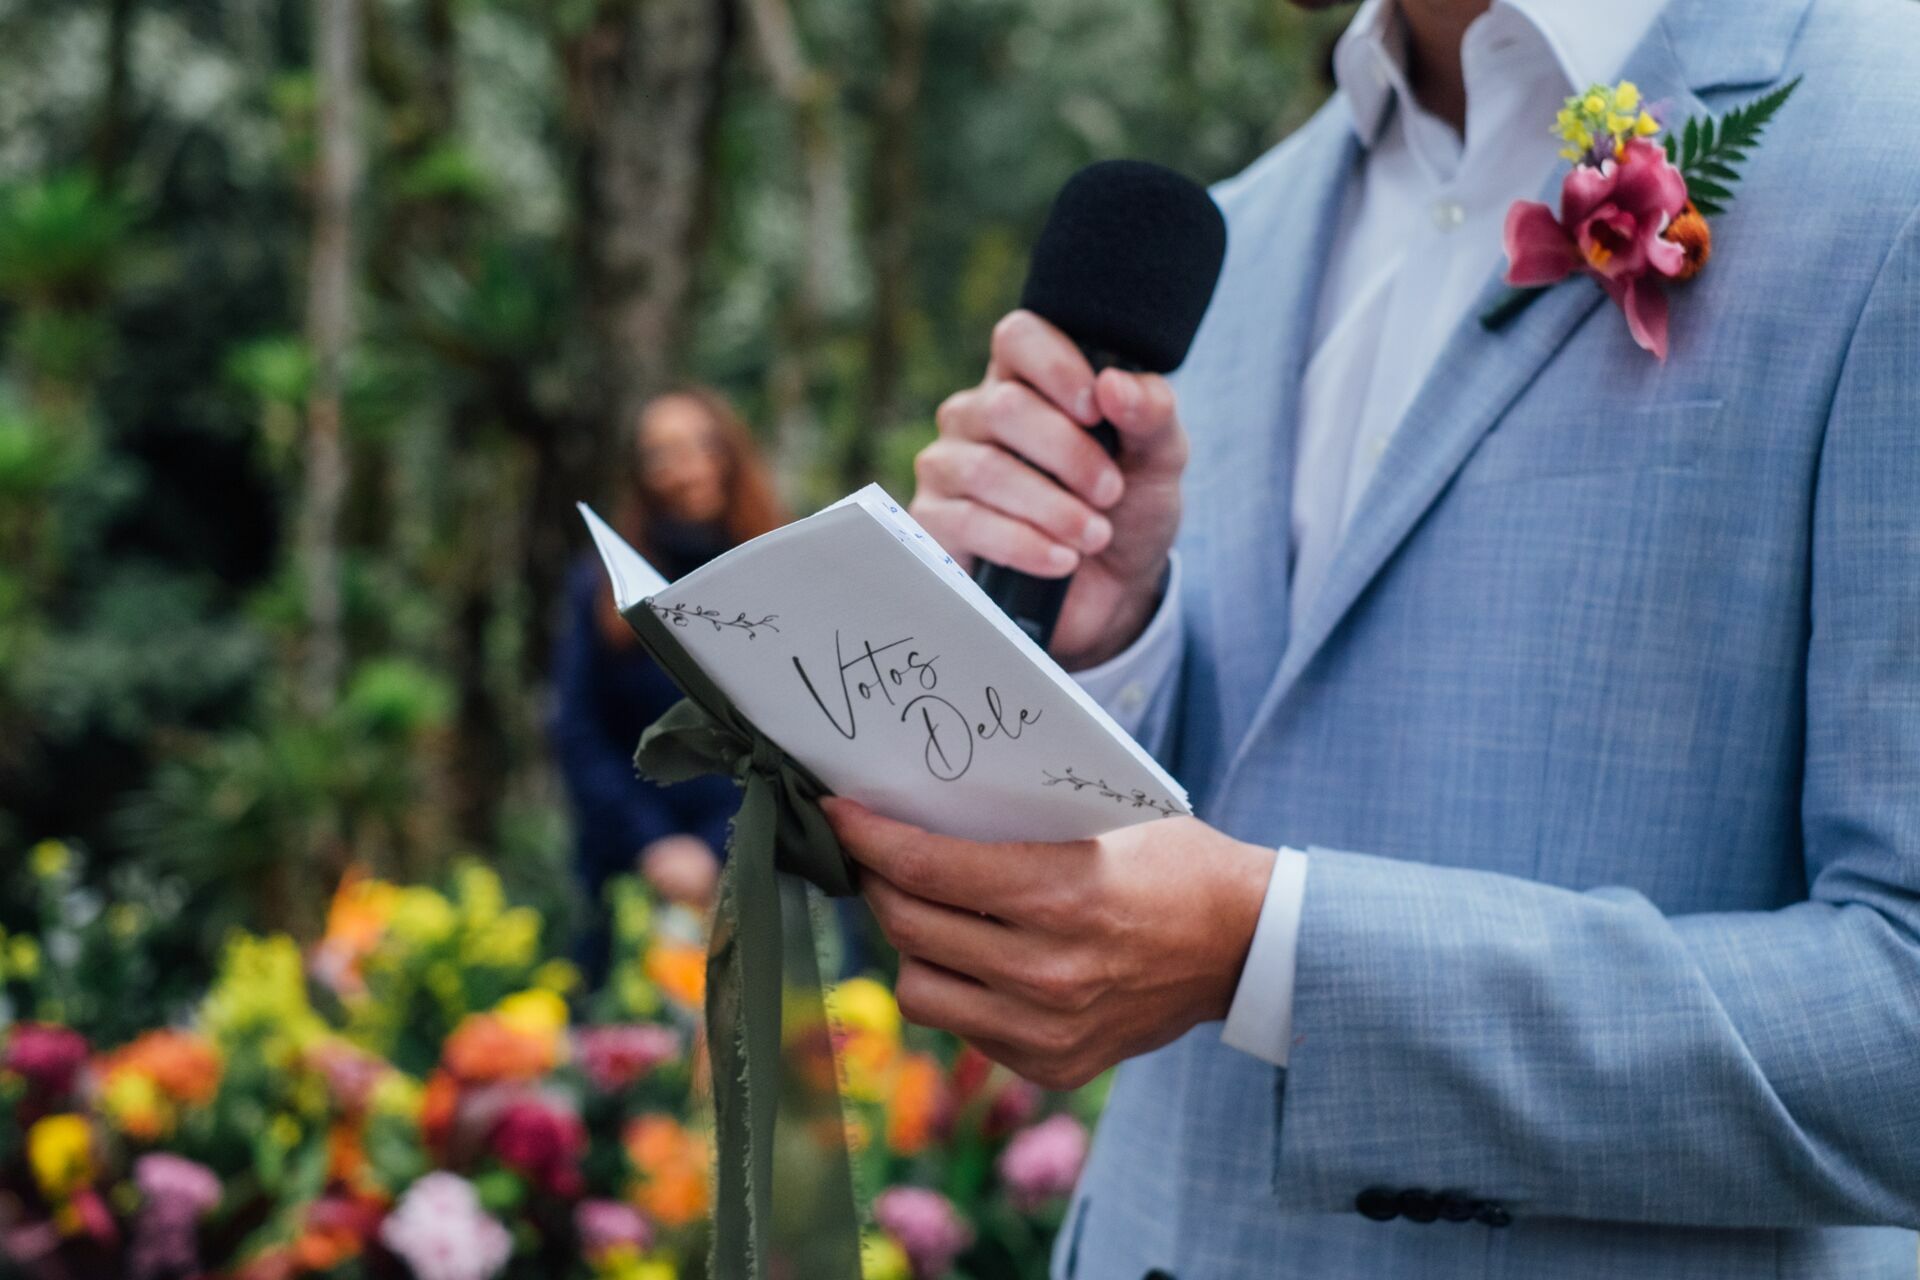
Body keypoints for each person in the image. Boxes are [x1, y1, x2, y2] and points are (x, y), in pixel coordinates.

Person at [821, 0, 1920, 1276]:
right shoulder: (1248, 216)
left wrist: (1274, 953)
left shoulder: (1886, 159)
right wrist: (1109, 634)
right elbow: (1250, 780)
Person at [551, 386, 783, 972]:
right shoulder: (604, 586)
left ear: (731, 453)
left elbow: (806, 736)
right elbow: (577, 729)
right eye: (662, 454)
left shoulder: (780, 569)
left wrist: (714, 845)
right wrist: (653, 844)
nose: (686, 469)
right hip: (632, 868)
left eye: (702, 446)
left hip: (765, 863)